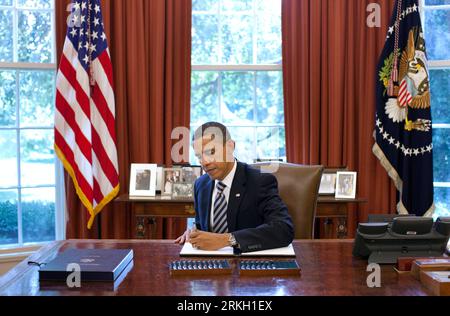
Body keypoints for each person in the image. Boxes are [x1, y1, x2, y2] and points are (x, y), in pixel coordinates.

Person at [175, 122, 294, 253]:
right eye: (199, 156)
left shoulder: (261, 181)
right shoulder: (200, 185)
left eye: (211, 152)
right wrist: (192, 233)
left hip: (249, 264)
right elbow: (201, 227)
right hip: (209, 264)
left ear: (230, 147)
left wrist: (227, 239)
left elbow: (284, 229)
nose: (204, 162)